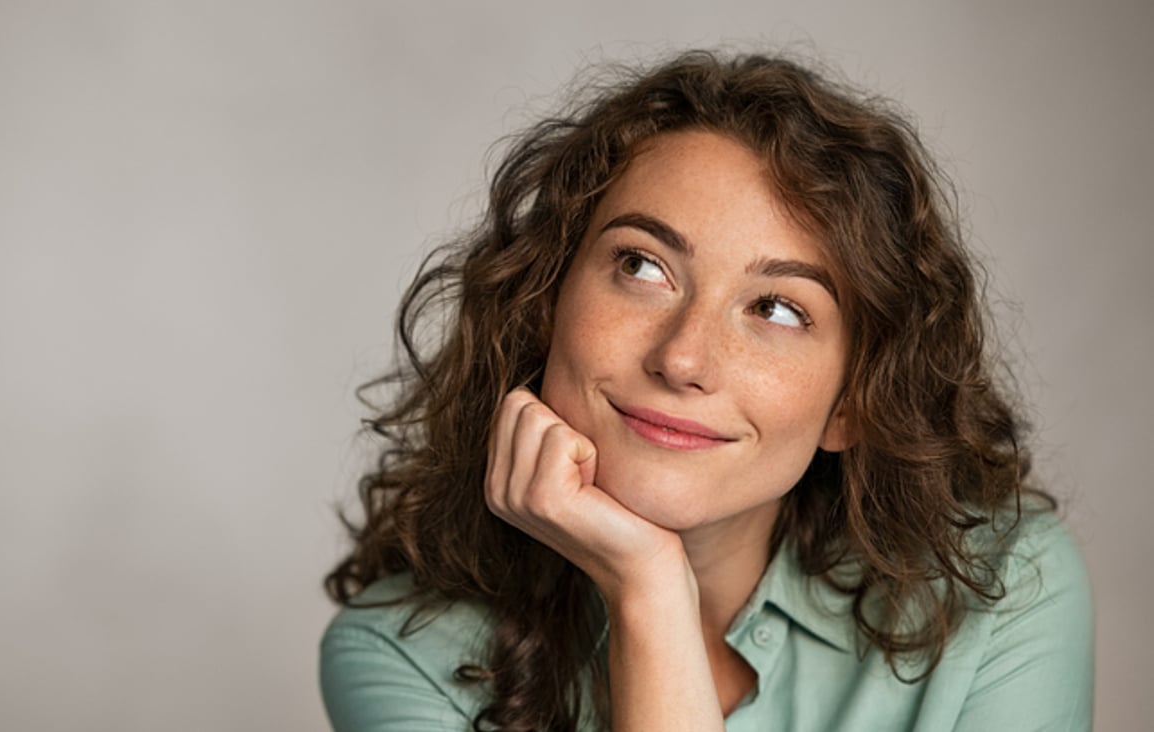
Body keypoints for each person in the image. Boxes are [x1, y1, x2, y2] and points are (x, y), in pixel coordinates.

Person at [319, 51, 1094, 731]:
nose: (684, 359)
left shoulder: (1006, 592)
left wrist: (647, 589)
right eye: (642, 267)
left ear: (856, 402)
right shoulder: (401, 654)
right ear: (542, 302)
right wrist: (650, 588)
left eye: (778, 309)